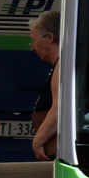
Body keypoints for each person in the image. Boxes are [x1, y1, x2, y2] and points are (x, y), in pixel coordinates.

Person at [28, 10, 60, 161]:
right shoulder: (61, 65)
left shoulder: (63, 65)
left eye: (34, 40)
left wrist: (38, 141)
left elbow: (59, 108)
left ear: (49, 37)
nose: (32, 47)